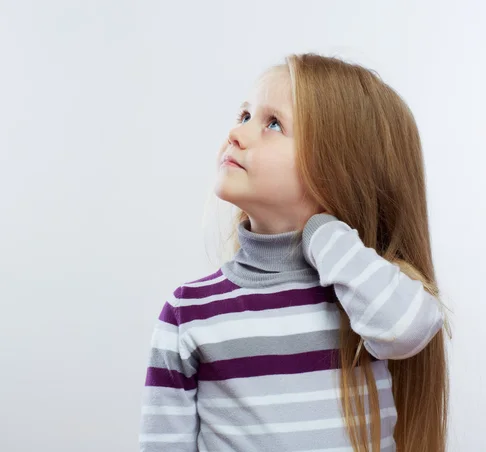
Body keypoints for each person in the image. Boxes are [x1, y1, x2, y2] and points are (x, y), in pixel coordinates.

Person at [139, 53, 450, 452]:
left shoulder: (363, 294)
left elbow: (410, 328)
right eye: (244, 115)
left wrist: (325, 234)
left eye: (273, 124)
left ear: (337, 168)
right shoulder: (189, 312)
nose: (238, 133)